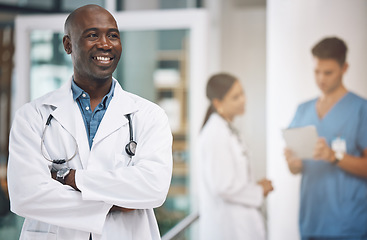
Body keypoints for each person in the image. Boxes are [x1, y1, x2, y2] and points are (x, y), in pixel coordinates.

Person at [7, 4, 173, 240]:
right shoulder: (33, 116)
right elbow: (26, 195)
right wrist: (116, 203)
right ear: (68, 45)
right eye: (92, 35)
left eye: (113, 35)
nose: (105, 44)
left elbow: (153, 189)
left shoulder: (149, 115)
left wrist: (70, 178)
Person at [284, 37, 367, 240]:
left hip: (348, 224)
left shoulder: (360, 109)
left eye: (328, 72)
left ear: (344, 68)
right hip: (312, 220)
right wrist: (293, 163)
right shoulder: (302, 111)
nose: (321, 78)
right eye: (317, 71)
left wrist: (334, 156)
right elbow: (296, 169)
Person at [198, 73, 274, 240]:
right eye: (235, 97)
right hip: (229, 228)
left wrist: (255, 187)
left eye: (242, 93)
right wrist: (259, 190)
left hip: (241, 225)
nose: (243, 100)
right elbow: (223, 186)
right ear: (218, 103)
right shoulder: (215, 134)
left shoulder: (227, 129)